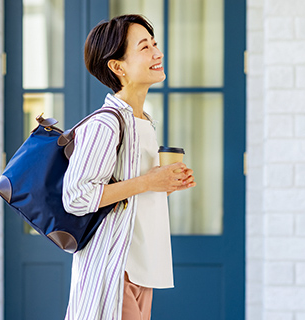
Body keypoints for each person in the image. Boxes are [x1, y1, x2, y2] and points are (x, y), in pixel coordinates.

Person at [62, 14, 196, 320]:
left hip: (140, 267)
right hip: (114, 269)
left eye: (155, 44)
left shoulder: (143, 122)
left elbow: (129, 195)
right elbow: (76, 197)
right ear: (118, 66)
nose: (157, 53)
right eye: (144, 47)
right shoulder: (106, 124)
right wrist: (149, 182)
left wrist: (165, 184)